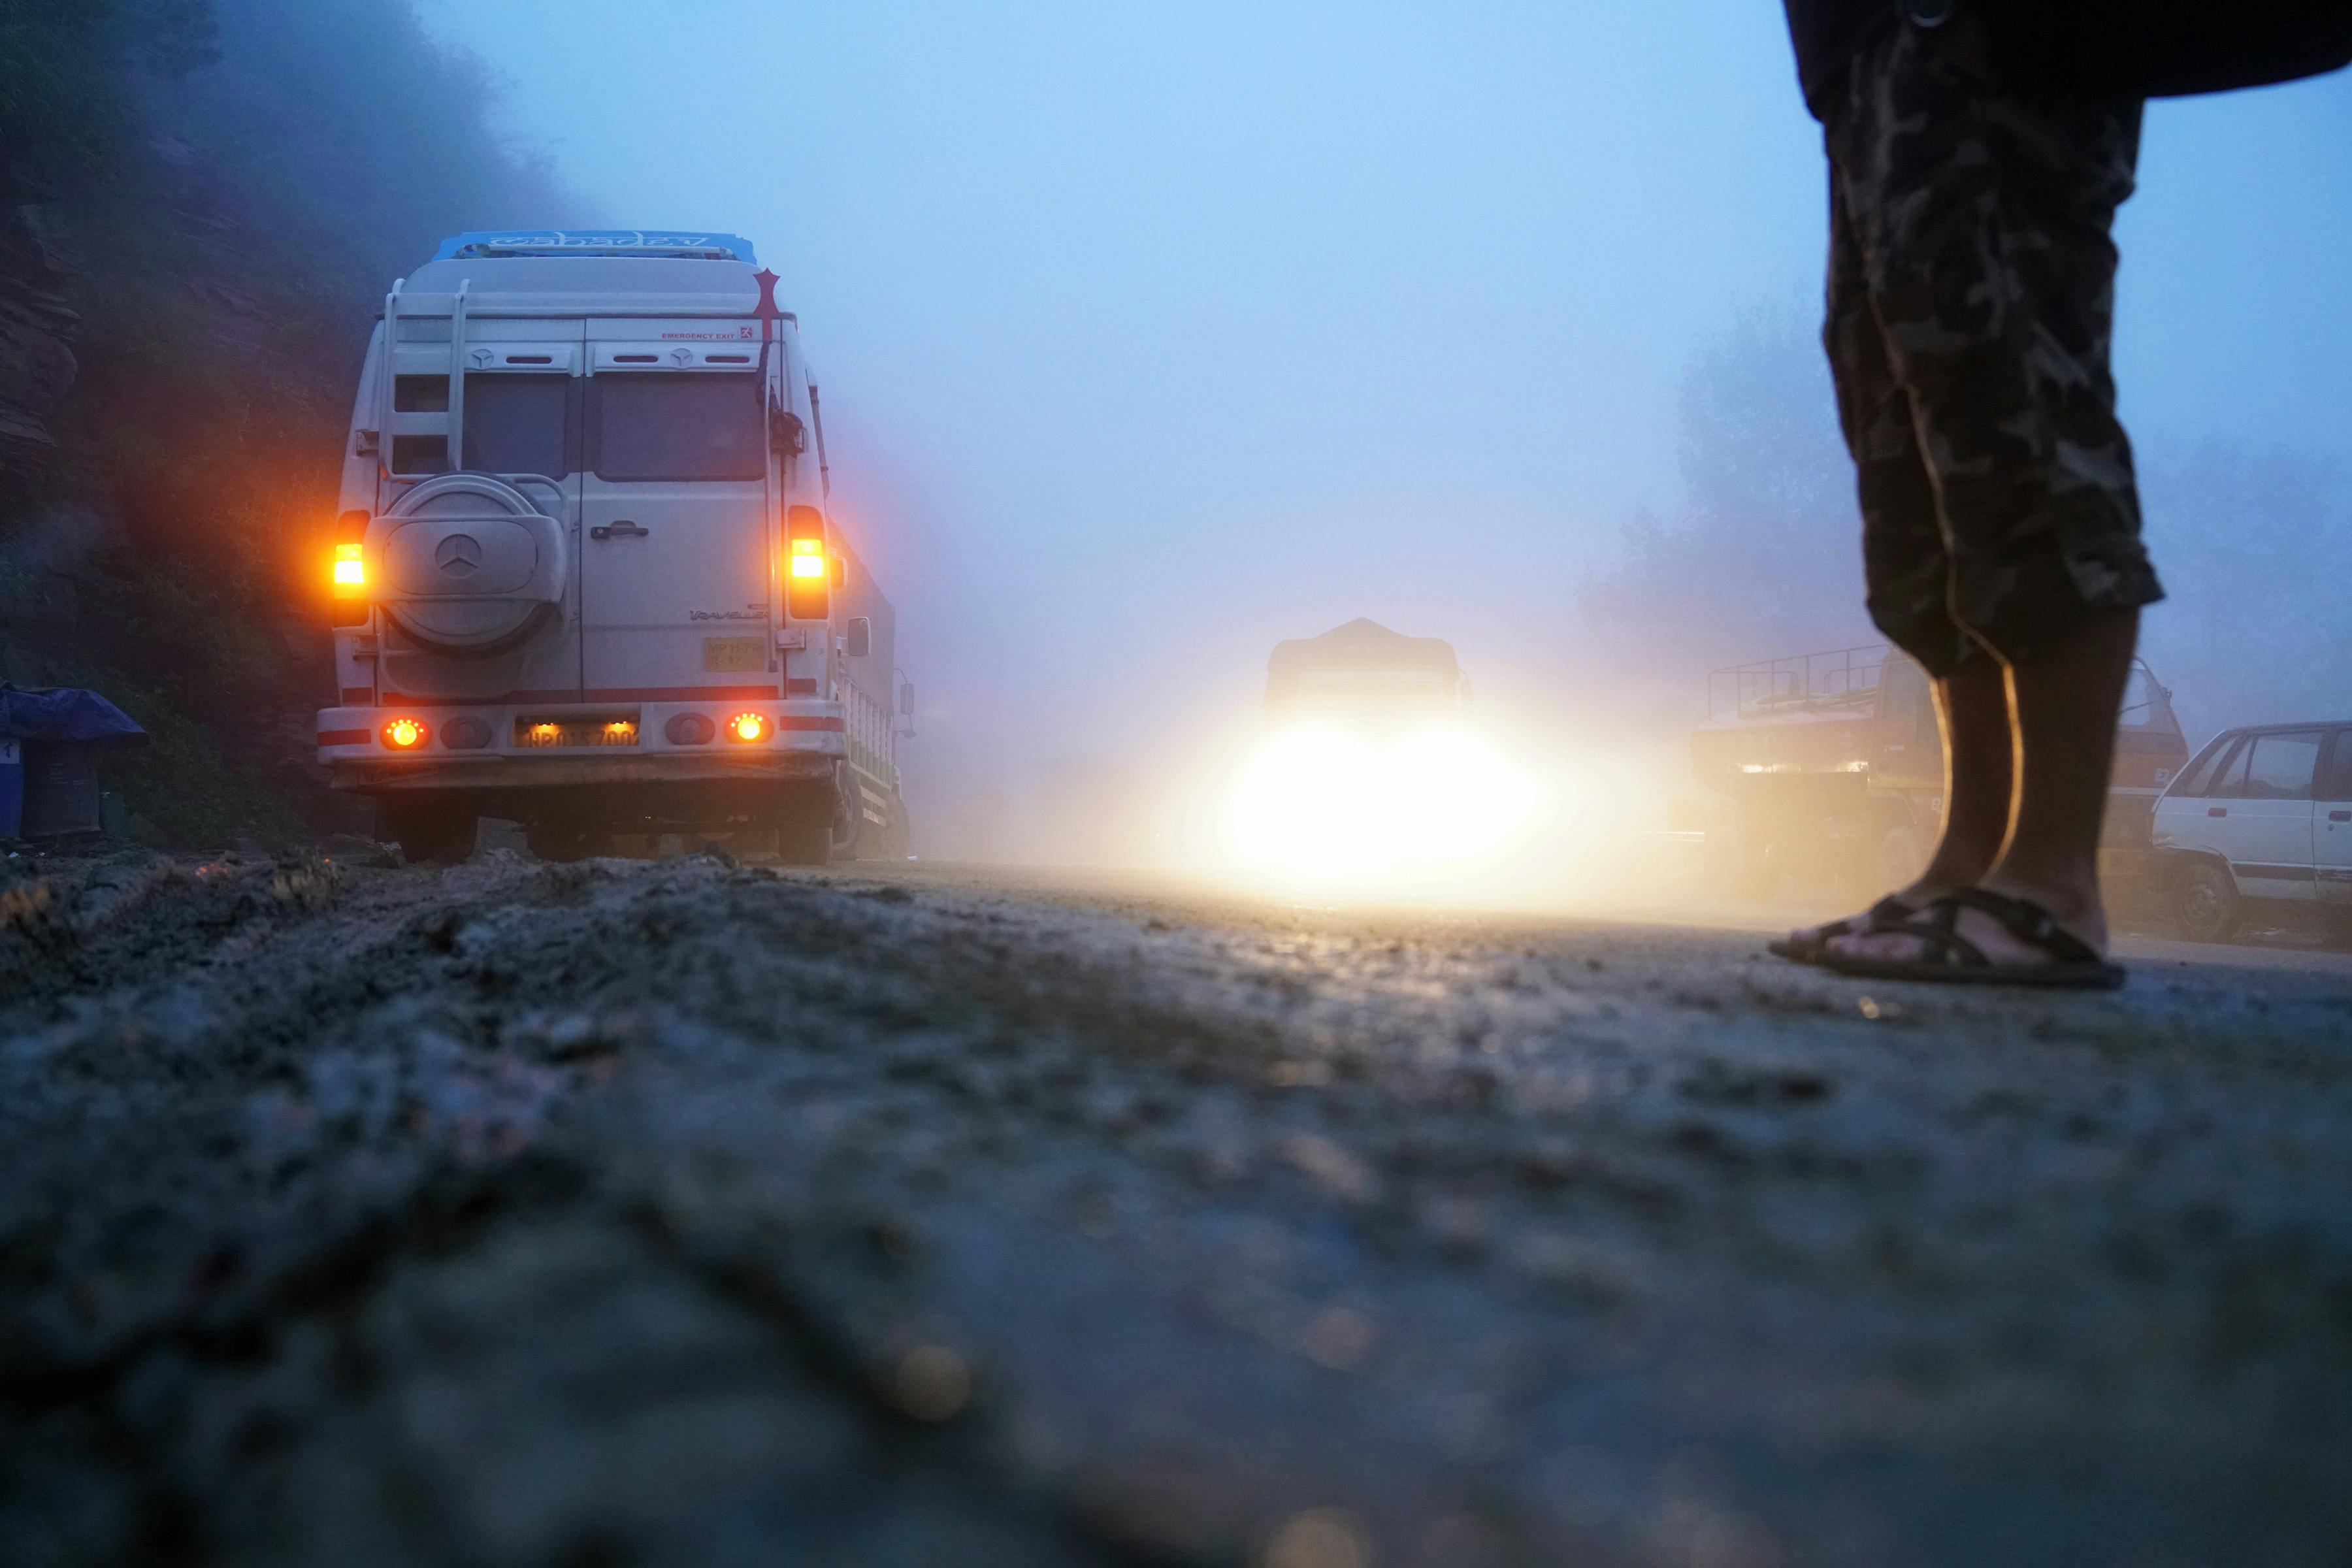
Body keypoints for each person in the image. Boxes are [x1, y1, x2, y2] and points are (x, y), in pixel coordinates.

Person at [1770, 0, 2166, 987]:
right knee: (1909, 457)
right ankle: (1973, 859)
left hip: (1974, 31)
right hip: (1864, 54)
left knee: (2011, 408)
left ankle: (2053, 880)